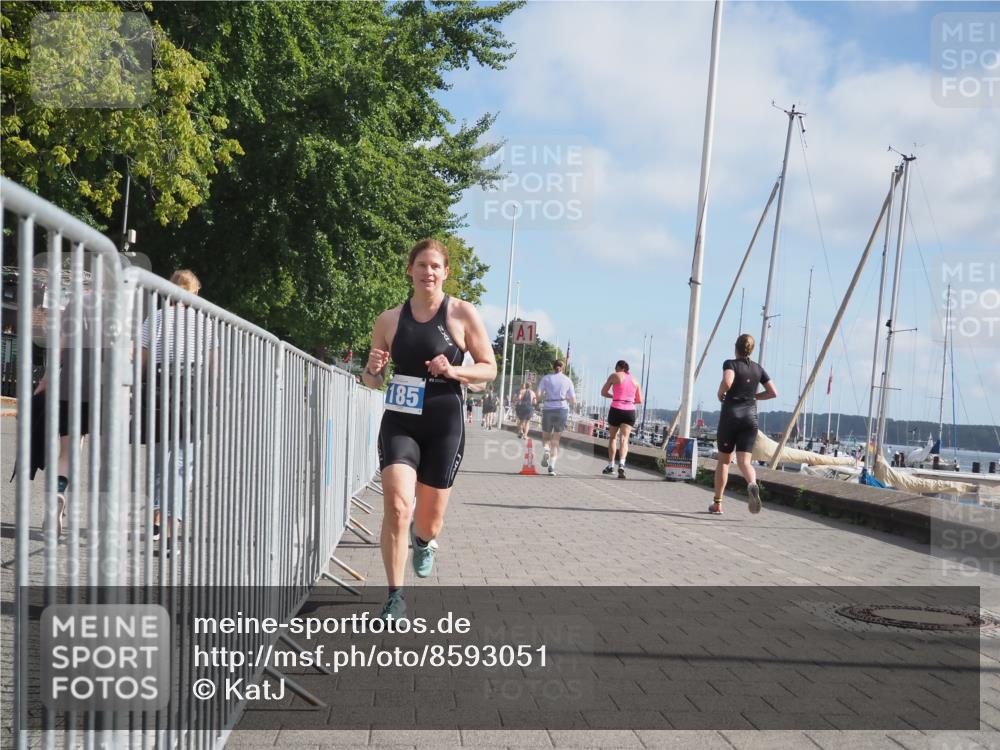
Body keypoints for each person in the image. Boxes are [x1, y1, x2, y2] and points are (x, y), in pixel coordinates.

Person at [363, 239, 496, 621]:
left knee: (428, 521)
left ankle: (424, 542)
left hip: (444, 423)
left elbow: (489, 368)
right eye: (421, 265)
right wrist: (373, 368)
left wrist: (454, 370)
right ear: (410, 270)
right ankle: (394, 596)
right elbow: (373, 381)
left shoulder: (461, 313)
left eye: (436, 266)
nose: (428, 272)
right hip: (401, 421)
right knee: (397, 505)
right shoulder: (389, 320)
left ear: (446, 272)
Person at [141, 269, 213, 547]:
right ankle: (173, 525)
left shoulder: (156, 318)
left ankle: (157, 520)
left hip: (160, 388)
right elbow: (212, 365)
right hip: (191, 389)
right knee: (183, 462)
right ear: (194, 293)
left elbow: (143, 357)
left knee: (161, 458)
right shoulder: (203, 322)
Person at [712, 333, 777, 515]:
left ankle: (717, 504)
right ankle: (752, 484)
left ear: (736, 347)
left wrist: (720, 392)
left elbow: (727, 380)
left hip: (731, 417)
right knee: (744, 462)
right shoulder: (758, 369)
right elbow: (773, 392)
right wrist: (754, 396)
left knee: (724, 462)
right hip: (750, 418)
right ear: (751, 349)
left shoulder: (730, 364)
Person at [600, 360, 642, 479]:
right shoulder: (635, 380)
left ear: (619, 367)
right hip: (629, 411)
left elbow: (603, 392)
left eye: (616, 368)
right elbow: (639, 400)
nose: (615, 370)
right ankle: (622, 465)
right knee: (624, 439)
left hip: (616, 408)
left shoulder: (615, 376)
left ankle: (611, 466)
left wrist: (614, 396)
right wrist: (628, 399)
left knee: (613, 438)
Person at [536, 359, 575, 476]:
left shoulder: (546, 378)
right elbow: (573, 400)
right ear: (562, 368)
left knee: (546, 436)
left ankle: (546, 450)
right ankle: (552, 467)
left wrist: (537, 401)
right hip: (561, 409)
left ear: (553, 367)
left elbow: (538, 394)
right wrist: (568, 400)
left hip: (548, 408)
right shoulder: (568, 380)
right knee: (556, 439)